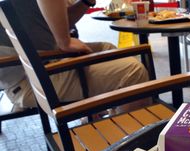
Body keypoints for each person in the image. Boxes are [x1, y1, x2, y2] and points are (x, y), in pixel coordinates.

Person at [0, 0, 149, 113]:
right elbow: (62, 36)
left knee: (107, 49)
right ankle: (129, 146)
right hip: (28, 80)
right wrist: (64, 41)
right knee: (134, 72)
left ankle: (107, 120)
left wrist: (85, 2)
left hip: (38, 63)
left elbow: (62, 21)